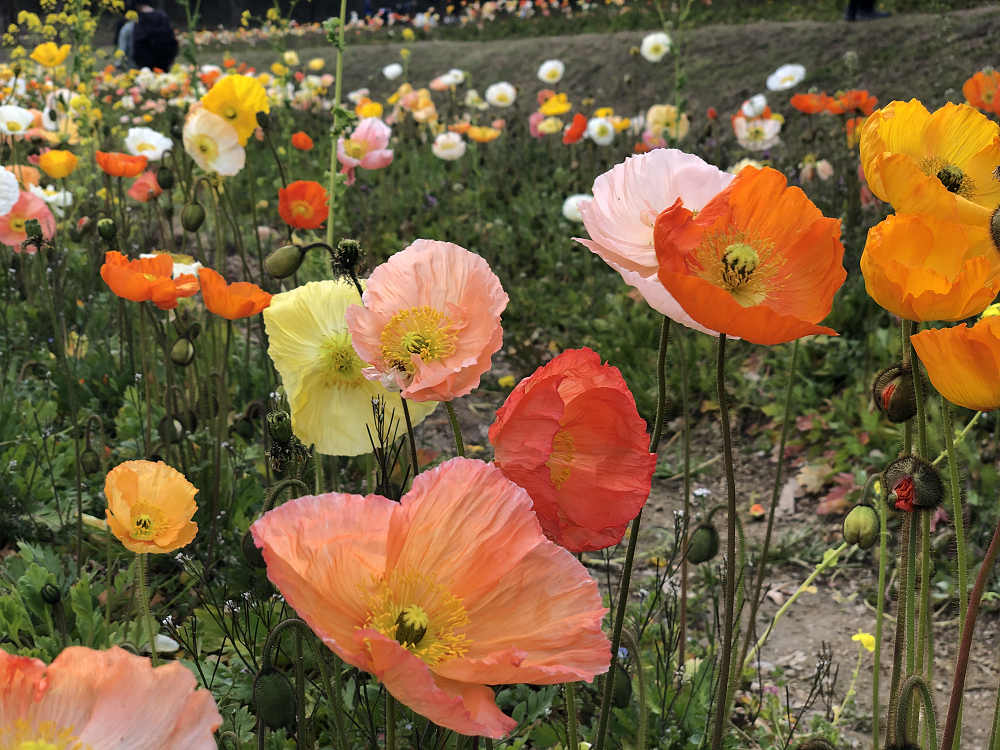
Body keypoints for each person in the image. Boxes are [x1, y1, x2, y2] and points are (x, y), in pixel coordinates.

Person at [114, 1, 178, 71]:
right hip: (162, 72)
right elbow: (173, 45)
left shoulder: (129, 26)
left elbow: (121, 55)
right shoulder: (164, 18)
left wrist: (119, 64)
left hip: (138, 73)